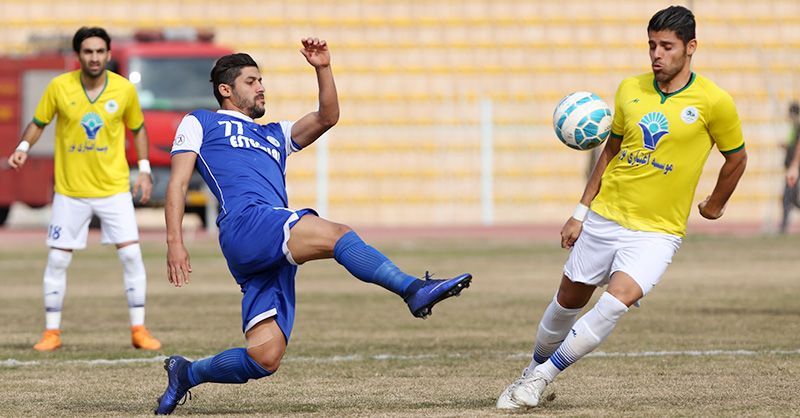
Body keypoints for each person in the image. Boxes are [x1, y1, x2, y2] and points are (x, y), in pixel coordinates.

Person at [155, 39, 471, 415]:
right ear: (226, 89)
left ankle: (187, 373)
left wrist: (323, 68)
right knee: (336, 234)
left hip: (268, 241)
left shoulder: (273, 134)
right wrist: (175, 243)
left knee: (265, 357)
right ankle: (413, 289)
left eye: (261, 80)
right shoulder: (201, 121)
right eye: (251, 81)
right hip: (247, 224)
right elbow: (177, 184)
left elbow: (327, 117)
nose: (261, 87)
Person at [496, 6, 747, 409]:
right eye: (652, 45)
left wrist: (715, 204)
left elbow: (736, 157)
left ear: (691, 47)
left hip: (658, 231)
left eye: (667, 46)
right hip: (606, 216)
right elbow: (610, 151)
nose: (657, 55)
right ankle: (531, 370)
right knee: (566, 304)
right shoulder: (630, 89)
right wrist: (580, 212)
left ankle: (541, 378)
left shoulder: (715, 102)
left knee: (615, 304)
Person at [6, 27, 161, 352]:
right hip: (71, 191)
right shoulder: (59, 87)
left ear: (108, 54)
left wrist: (145, 170)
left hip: (114, 189)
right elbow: (38, 122)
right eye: (88, 51)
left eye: (99, 51)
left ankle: (139, 329)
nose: (94, 57)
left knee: (131, 255)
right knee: (57, 260)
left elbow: (138, 129)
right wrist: (23, 147)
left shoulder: (123, 89)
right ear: (78, 55)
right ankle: (52, 333)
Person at [780, 102, 800, 233]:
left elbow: (798, 147)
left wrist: (794, 165)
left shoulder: (798, 127)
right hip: (792, 167)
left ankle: (783, 227)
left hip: (794, 169)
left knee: (788, 197)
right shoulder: (794, 127)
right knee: (792, 198)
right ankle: (783, 226)